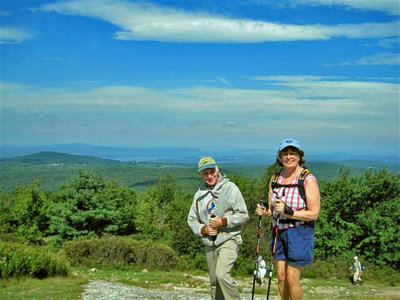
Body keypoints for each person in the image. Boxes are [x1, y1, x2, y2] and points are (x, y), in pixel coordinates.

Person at [256, 138, 320, 300]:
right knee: (281, 276)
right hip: (278, 230)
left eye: (293, 153)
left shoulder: (307, 179)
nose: (289, 157)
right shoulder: (275, 178)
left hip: (299, 231)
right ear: (279, 157)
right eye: (285, 153)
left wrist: (288, 211)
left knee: (292, 278)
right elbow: (272, 210)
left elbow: (313, 213)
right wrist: (265, 211)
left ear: (300, 156)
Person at [187, 157, 249, 300]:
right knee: (214, 281)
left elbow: (244, 214)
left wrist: (223, 221)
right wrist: (204, 230)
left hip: (229, 238)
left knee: (222, 274)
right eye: (205, 173)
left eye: (212, 171)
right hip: (209, 242)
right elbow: (191, 219)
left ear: (217, 169)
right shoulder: (199, 195)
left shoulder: (230, 188)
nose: (210, 176)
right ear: (200, 175)